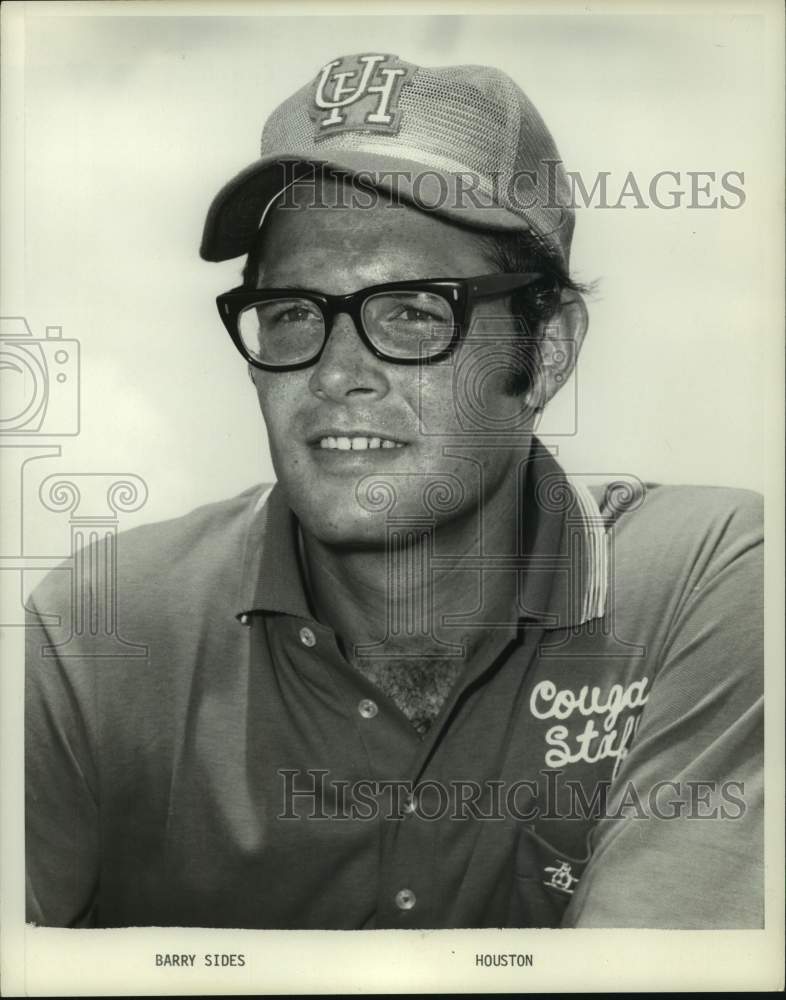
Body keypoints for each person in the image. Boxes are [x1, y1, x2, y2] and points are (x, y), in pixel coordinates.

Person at [25, 52, 763, 930]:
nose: (337, 373)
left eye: (413, 311)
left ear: (547, 354)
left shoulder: (704, 583)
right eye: (293, 310)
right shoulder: (95, 633)